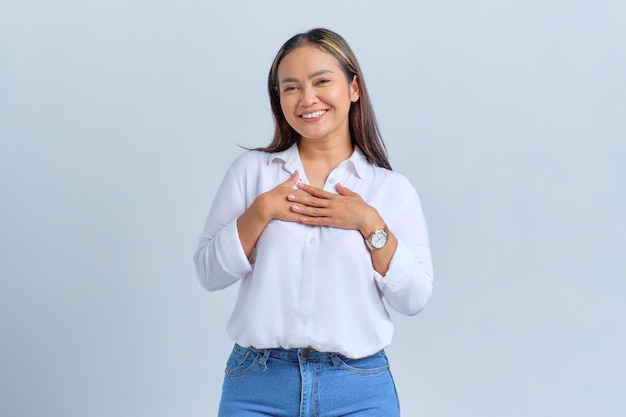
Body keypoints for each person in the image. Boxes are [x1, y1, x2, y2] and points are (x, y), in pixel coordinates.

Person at [194, 27, 433, 417]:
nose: (307, 99)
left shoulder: (391, 190)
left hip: (357, 390)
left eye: (322, 81)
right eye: (290, 88)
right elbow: (209, 274)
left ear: (354, 88)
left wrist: (368, 223)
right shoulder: (252, 172)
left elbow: (414, 298)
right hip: (258, 384)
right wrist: (261, 211)